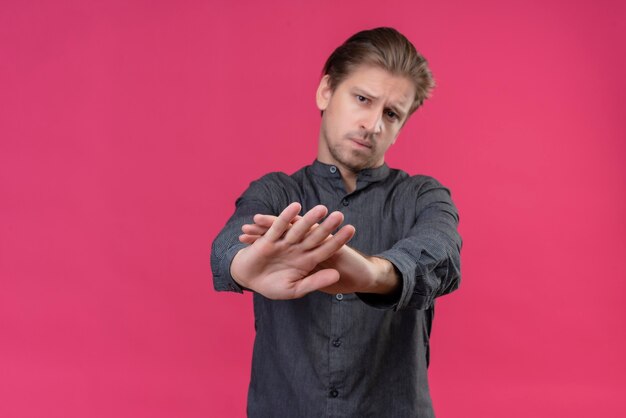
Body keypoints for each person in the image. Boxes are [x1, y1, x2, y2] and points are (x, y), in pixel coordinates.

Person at [211, 27, 462, 417]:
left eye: (391, 114)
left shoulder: (424, 197)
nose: (374, 124)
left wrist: (372, 276)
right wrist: (246, 267)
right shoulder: (276, 192)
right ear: (326, 91)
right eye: (363, 99)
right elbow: (230, 243)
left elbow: (441, 255)